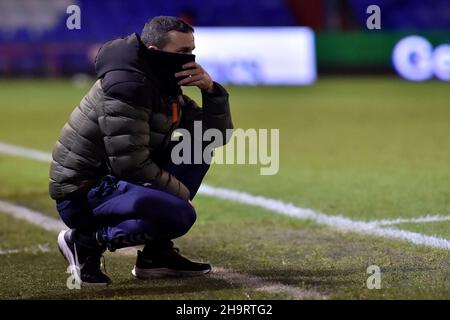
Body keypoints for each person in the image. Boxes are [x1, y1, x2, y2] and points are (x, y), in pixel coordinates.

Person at [50, 16, 233, 286]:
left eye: (192, 51)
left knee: (197, 145)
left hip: (115, 181)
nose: (190, 59)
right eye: (182, 52)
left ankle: (155, 256)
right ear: (154, 52)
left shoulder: (161, 83)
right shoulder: (128, 86)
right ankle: (84, 242)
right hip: (84, 193)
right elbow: (130, 164)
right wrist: (180, 195)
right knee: (179, 214)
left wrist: (211, 90)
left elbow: (214, 136)